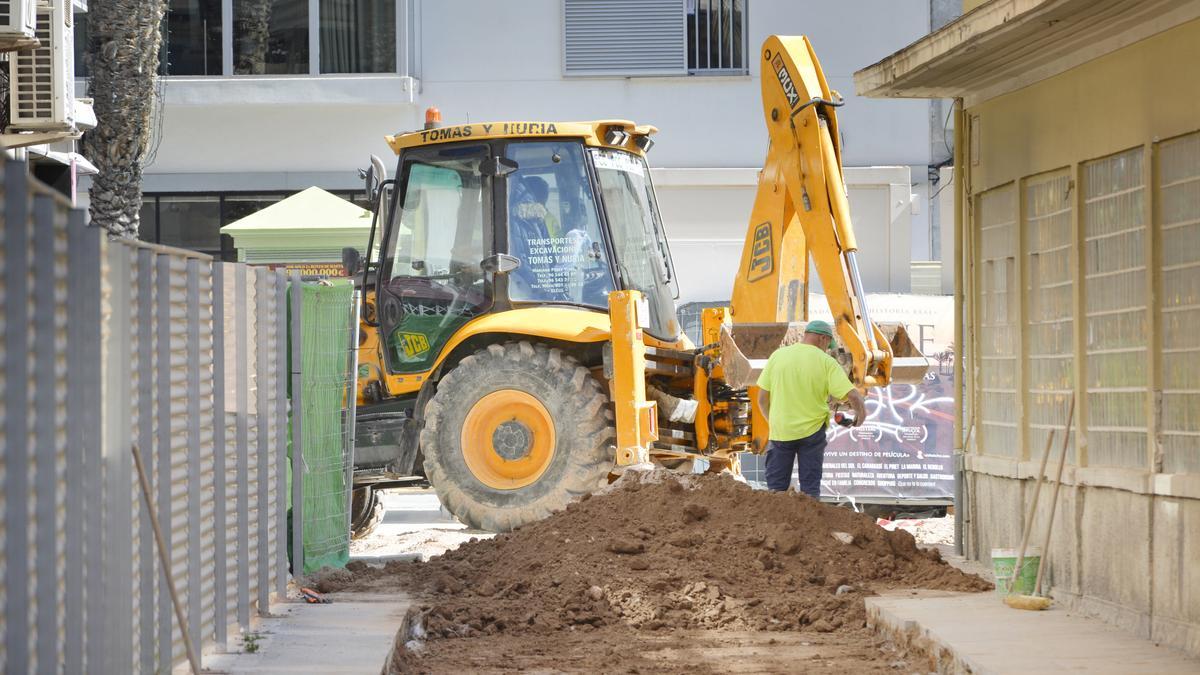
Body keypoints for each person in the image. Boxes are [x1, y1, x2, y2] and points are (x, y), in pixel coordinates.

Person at [755, 320, 867, 498]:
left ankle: (776, 524)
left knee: (776, 491)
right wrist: (861, 415)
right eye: (828, 345)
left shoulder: (778, 356)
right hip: (812, 433)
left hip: (781, 432)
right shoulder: (826, 362)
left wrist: (774, 422)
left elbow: (762, 399)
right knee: (810, 490)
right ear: (823, 338)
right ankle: (811, 524)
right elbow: (853, 395)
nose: (827, 349)